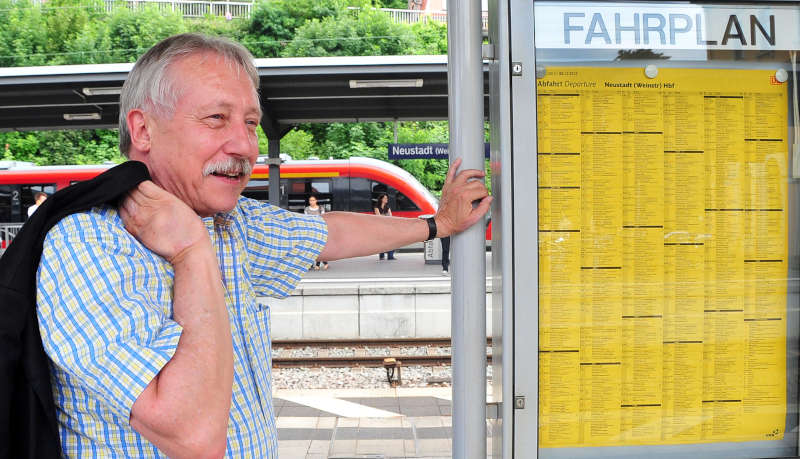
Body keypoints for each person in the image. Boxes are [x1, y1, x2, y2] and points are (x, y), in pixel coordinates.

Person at [35, 33, 490, 458]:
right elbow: (193, 436)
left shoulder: (232, 224)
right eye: (216, 118)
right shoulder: (88, 244)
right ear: (143, 130)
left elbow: (330, 234)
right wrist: (192, 253)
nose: (245, 145)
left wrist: (438, 223)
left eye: (251, 122)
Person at [304, 195, 329, 270]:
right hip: (311, 230)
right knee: (311, 247)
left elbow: (323, 218)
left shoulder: (321, 208)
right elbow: (306, 219)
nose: (311, 202)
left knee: (319, 247)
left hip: (320, 229)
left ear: (316, 201)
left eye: (313, 200)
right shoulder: (307, 209)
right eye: (310, 200)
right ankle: (316, 263)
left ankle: (319, 264)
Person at [373, 192, 396, 260]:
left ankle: (390, 256)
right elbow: (379, 217)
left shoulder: (387, 207)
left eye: (387, 198)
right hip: (380, 227)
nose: (387, 199)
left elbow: (391, 217)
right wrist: (386, 217)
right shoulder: (376, 207)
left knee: (392, 240)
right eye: (385, 198)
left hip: (387, 227)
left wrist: (384, 217)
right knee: (382, 241)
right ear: (381, 199)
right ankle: (382, 255)